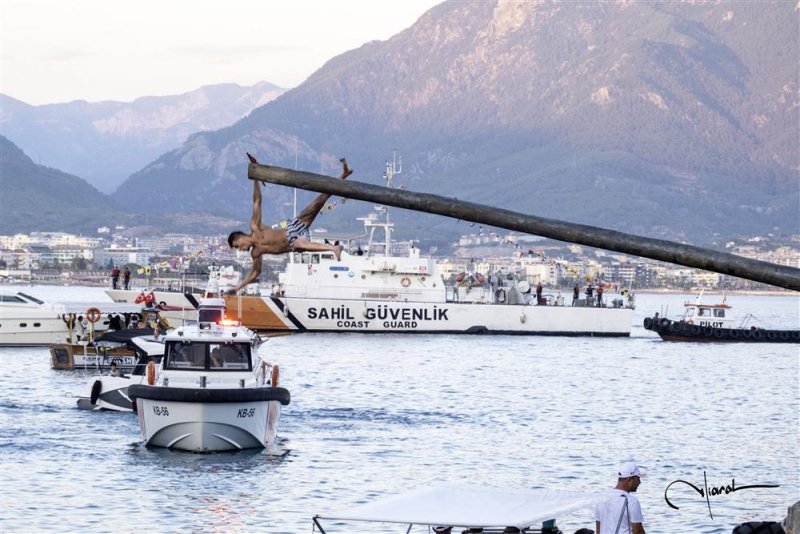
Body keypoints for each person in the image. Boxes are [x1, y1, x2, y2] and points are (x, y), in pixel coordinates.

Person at [226, 153, 352, 294]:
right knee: (298, 245)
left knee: (320, 200)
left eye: (238, 246)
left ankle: (344, 175)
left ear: (240, 237)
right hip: (296, 242)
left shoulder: (255, 228)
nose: (241, 250)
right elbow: (255, 273)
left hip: (294, 227)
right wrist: (237, 288)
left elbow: (256, 202)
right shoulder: (256, 253)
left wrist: (256, 178)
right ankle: (333, 248)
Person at [595, 462, 646, 534]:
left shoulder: (601, 498)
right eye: (638, 479)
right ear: (630, 480)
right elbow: (638, 531)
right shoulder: (632, 502)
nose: (639, 482)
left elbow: (598, 531)